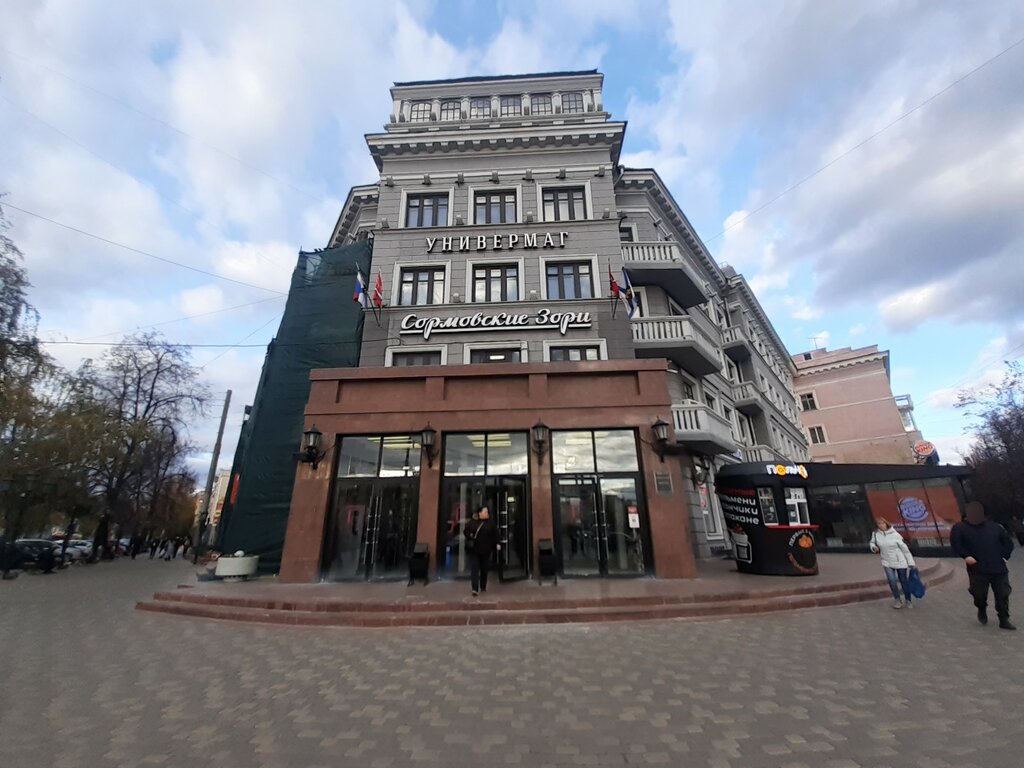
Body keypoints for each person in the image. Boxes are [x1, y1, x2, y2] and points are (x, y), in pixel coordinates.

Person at [951, 502, 1015, 630]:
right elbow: (956, 543)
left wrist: (1004, 556)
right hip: (977, 568)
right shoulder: (960, 528)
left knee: (1003, 593)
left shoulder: (995, 527)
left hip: (998, 567)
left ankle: (1004, 618)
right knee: (979, 593)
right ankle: (981, 607)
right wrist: (966, 556)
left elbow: (1008, 543)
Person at [869, 517, 916, 609]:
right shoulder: (875, 534)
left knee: (903, 581)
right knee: (891, 581)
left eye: (882, 523)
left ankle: (908, 600)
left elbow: (905, 550)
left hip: (900, 560)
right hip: (886, 561)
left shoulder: (895, 534)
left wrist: (911, 562)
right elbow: (872, 543)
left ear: (886, 523)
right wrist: (874, 547)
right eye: (879, 524)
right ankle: (897, 600)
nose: (881, 525)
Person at [465, 505, 499, 596]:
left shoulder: (490, 523)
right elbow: (466, 531)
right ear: (480, 513)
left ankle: (483, 586)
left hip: (486, 550)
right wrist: (471, 536)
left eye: (487, 512)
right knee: (475, 569)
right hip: (475, 550)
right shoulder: (473, 522)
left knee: (484, 569)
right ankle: (474, 588)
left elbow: (495, 533)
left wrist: (497, 543)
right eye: (485, 512)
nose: (487, 513)